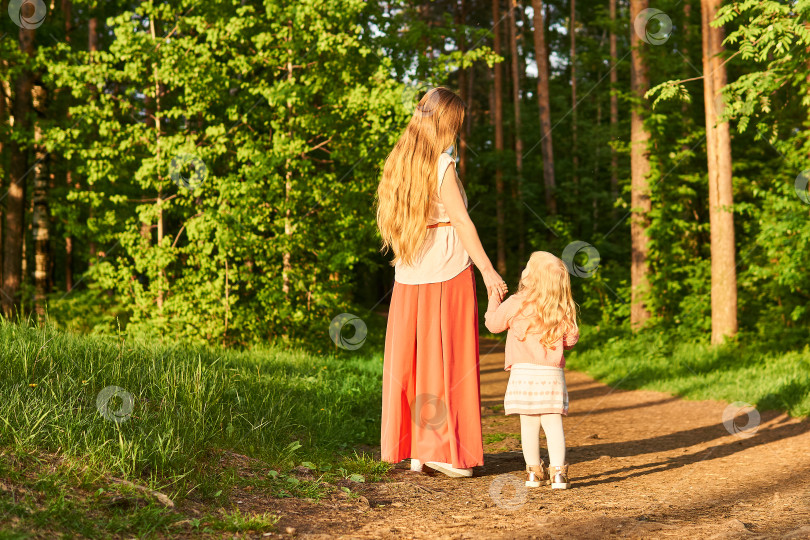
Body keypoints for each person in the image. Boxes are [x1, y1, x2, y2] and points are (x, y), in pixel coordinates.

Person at [377, 87, 507, 478]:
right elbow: (463, 222)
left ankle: (419, 448)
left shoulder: (399, 163)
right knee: (451, 359)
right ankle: (444, 452)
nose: (458, 132)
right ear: (445, 122)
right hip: (448, 269)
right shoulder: (442, 163)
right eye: (456, 124)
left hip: (409, 273)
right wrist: (489, 272)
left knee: (416, 361)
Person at [484, 251, 579, 489]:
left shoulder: (517, 303)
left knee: (528, 425)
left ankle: (534, 473)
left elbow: (493, 325)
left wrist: (493, 299)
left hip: (524, 374)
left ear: (531, 277)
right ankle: (558, 474)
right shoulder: (560, 308)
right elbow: (571, 340)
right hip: (550, 376)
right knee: (553, 423)